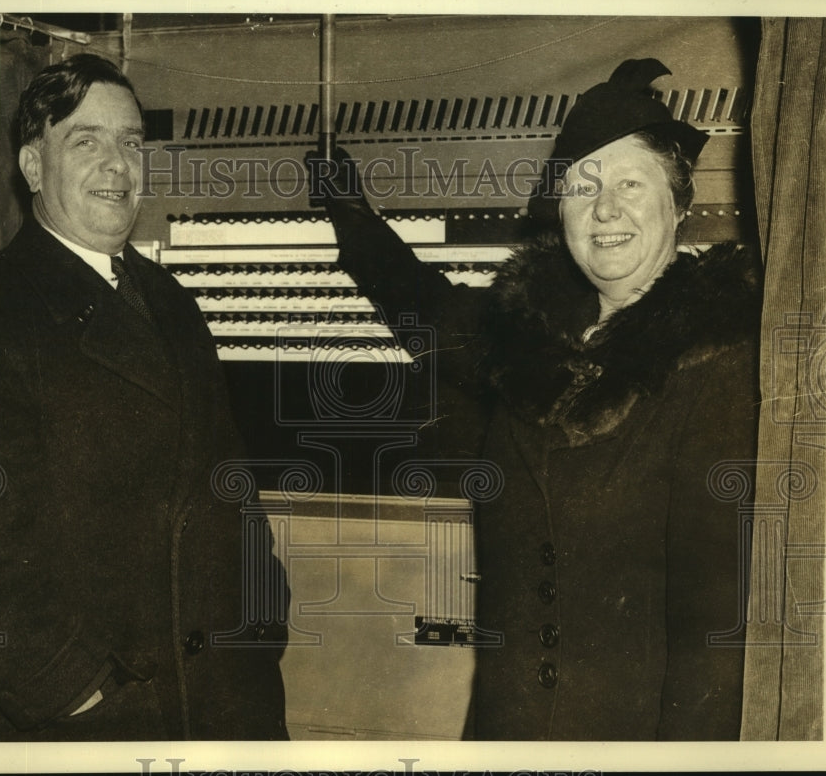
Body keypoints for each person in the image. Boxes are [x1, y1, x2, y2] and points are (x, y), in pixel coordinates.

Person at [315, 59, 762, 740]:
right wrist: (349, 212)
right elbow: (423, 305)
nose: (605, 208)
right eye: (583, 188)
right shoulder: (526, 337)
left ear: (679, 201)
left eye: (630, 184)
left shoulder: (720, 367)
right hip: (508, 728)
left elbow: (715, 638)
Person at [0, 53, 288, 742]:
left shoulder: (172, 302)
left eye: (131, 142)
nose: (118, 165)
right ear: (34, 167)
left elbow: (232, 487)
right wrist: (73, 690)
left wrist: (264, 618)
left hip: (229, 699)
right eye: (87, 140)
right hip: (96, 719)